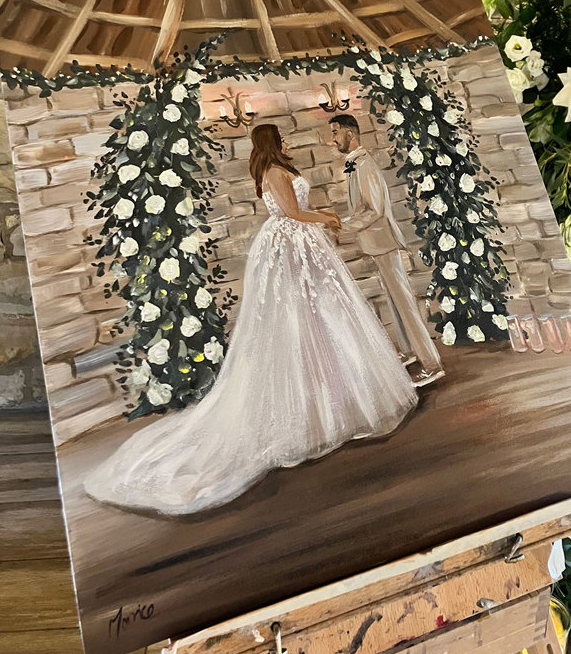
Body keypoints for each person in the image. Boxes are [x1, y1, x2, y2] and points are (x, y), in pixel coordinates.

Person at [84, 124, 418, 515]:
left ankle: (333, 403)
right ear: (272, 143)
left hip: (299, 242)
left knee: (321, 316)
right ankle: (312, 414)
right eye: (283, 138)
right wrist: (326, 217)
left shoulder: (276, 169)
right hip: (292, 243)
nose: (289, 142)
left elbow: (293, 211)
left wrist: (319, 219)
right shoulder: (274, 172)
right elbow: (292, 212)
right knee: (300, 317)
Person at [329, 114, 444, 386]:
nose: (332, 139)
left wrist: (343, 226)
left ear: (350, 134)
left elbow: (374, 210)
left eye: (335, 133)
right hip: (376, 244)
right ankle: (408, 352)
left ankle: (431, 363)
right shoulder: (355, 164)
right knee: (394, 301)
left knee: (404, 303)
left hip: (384, 242)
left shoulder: (364, 165)